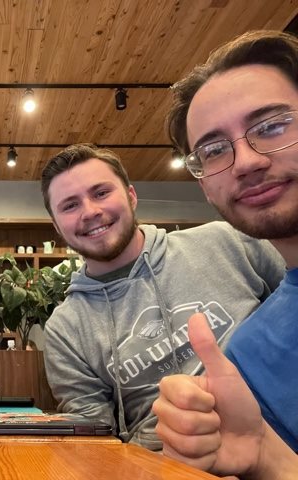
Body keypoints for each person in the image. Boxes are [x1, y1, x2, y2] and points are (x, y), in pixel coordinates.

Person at [40, 143, 285, 450]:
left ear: (131, 196)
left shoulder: (226, 242)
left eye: (101, 192)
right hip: (166, 463)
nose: (91, 212)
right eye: (70, 205)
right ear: (57, 227)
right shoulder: (66, 329)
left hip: (280, 437)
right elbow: (94, 438)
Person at [152, 30, 298, 478]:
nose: (246, 161)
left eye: (272, 126)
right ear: (203, 182)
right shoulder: (248, 355)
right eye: (214, 150)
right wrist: (268, 460)